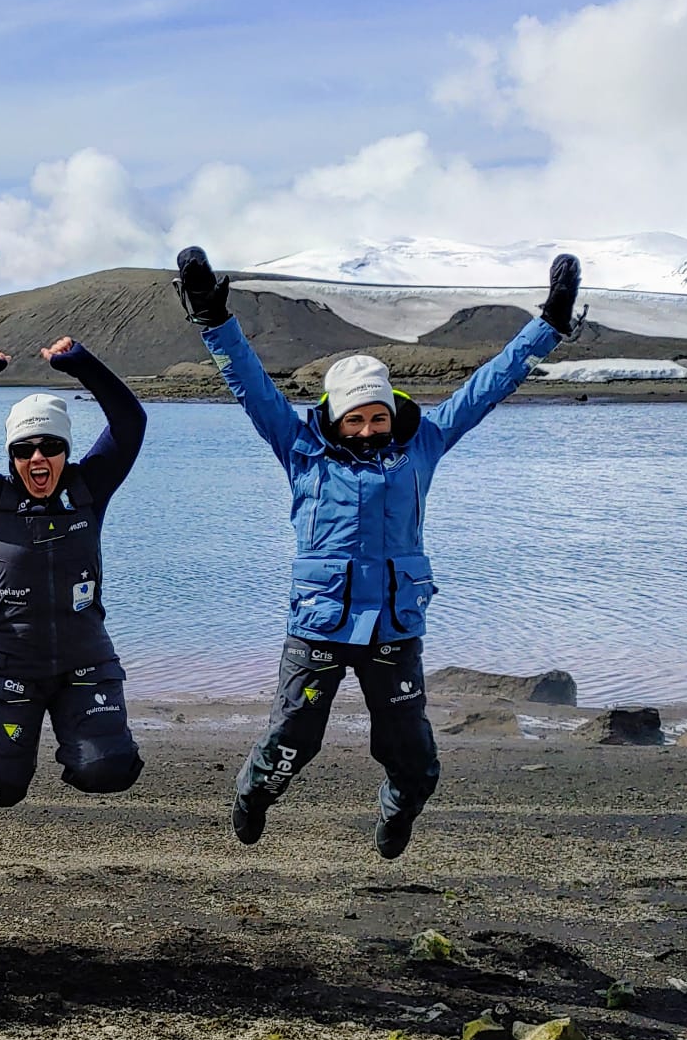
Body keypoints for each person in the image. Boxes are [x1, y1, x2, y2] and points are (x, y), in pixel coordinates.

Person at [175, 246, 581, 858]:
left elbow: (491, 382)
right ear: (334, 419)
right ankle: (255, 792)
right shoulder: (299, 448)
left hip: (393, 624)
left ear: (391, 411)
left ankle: (398, 810)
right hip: (320, 622)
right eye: (355, 419)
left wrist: (547, 325)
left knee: (414, 758)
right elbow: (248, 382)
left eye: (377, 416)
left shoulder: (426, 443)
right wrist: (211, 316)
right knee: (294, 738)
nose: (368, 428)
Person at [0, 337, 148, 806]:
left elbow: (130, 422)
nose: (37, 459)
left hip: (84, 656)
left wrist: (82, 364)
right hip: (9, 661)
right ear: (12, 457)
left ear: (66, 451)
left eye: (50, 447)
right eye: (24, 450)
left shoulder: (90, 489)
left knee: (108, 772)